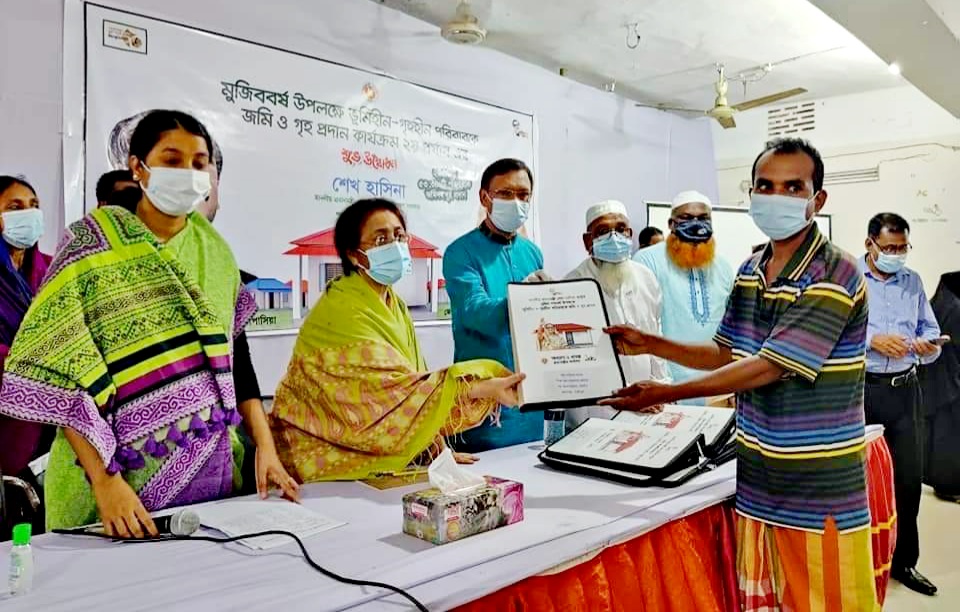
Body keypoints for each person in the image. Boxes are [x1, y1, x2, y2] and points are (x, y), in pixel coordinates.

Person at [603, 138, 877, 610]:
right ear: (751, 194)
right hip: (757, 483)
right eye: (766, 186)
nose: (777, 197)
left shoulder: (837, 271)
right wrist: (650, 343)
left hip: (818, 490)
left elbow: (769, 366)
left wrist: (664, 392)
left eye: (793, 187)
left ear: (817, 199)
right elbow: (725, 352)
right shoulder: (751, 269)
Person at [0, 110, 298, 536]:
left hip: (208, 477)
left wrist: (265, 449)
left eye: (199, 163)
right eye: (172, 160)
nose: (188, 173)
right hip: (109, 487)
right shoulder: (89, 248)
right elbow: (64, 374)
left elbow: (238, 363)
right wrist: (106, 483)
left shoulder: (215, 252)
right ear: (138, 167)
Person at [269, 198, 524, 481]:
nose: (394, 246)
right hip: (317, 457)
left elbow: (412, 384)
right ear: (354, 255)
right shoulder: (342, 308)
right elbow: (390, 395)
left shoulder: (394, 304)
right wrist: (485, 387)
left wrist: (435, 449)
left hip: (373, 461)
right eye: (381, 239)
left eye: (399, 236)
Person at [860, 213, 940, 596]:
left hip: (906, 391)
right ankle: (861, 561)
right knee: (861, 482)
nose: (896, 254)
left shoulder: (913, 281)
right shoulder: (848, 279)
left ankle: (904, 562)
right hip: (862, 391)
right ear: (869, 244)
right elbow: (829, 334)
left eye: (902, 247)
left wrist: (928, 346)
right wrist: (871, 340)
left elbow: (930, 329)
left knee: (908, 481)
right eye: (889, 248)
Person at [443, 158, 544, 452]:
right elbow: (476, 312)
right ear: (485, 198)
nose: (516, 202)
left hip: (532, 398)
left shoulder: (532, 253)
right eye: (505, 194)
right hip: (484, 400)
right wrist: (524, 299)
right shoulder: (460, 252)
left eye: (523, 195)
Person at [564, 200, 669, 427]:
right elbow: (575, 361)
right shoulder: (572, 285)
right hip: (596, 411)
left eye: (621, 229)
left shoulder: (646, 278)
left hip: (647, 407)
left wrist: (661, 388)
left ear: (630, 234)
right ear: (588, 241)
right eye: (603, 231)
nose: (614, 237)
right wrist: (625, 397)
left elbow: (654, 336)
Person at [633, 191, 734, 392]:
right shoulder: (647, 260)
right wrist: (659, 383)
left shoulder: (723, 266)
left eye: (703, 218)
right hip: (668, 386)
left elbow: (731, 329)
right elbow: (643, 328)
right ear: (671, 224)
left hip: (717, 384)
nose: (696, 224)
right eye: (687, 218)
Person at [0, 177, 53, 519]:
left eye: (34, 205)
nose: (29, 214)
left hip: (54, 417)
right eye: (14, 207)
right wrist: (36, 362)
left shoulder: (52, 268)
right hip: (7, 415)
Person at [921, 271, 960, 502]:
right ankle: (950, 485)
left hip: (939, 381)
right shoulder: (955, 308)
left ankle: (945, 483)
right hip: (950, 382)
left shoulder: (940, 302)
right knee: (950, 437)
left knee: (942, 435)